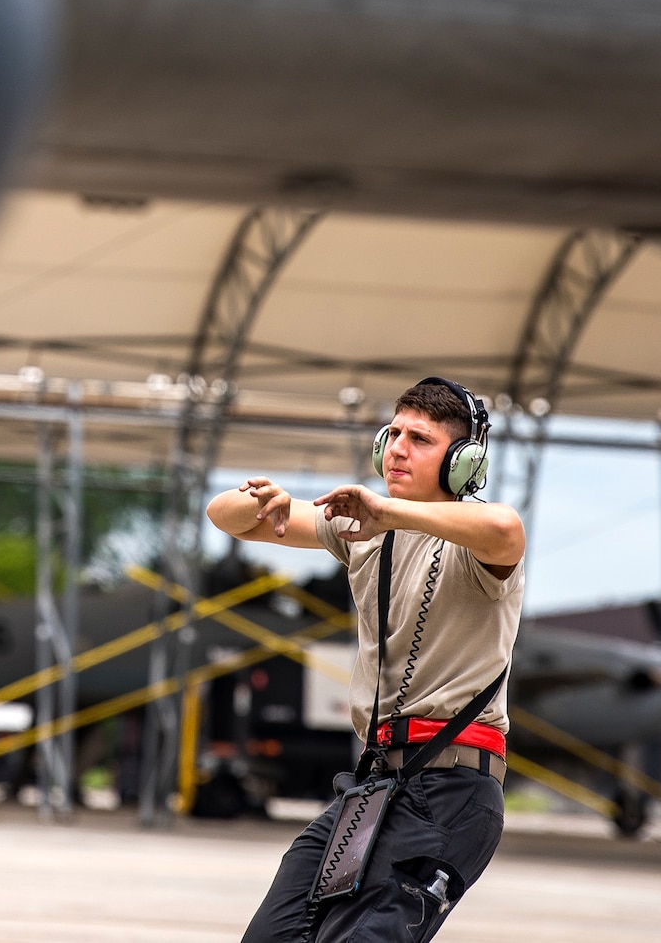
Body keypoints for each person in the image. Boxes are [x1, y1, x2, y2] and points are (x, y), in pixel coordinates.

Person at [206, 377, 525, 942]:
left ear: (461, 463)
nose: (398, 448)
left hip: (450, 793)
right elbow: (224, 516)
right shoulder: (362, 528)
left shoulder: (474, 539)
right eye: (393, 434)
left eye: (421, 440)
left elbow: (505, 529)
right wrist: (262, 500)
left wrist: (390, 512)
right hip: (377, 783)